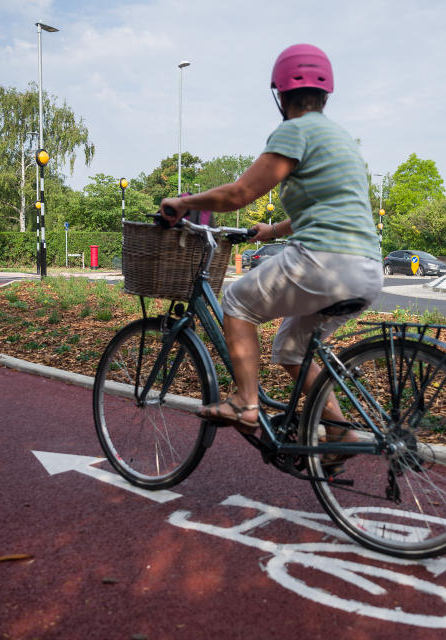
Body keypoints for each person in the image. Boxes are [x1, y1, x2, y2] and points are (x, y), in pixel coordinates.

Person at [159, 44, 383, 458]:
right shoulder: (342, 140)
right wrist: (272, 230)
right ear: (326, 94)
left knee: (236, 300)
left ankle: (245, 403)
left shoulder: (294, 131)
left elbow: (240, 193)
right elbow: (322, 206)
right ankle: (339, 433)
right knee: (290, 348)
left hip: (324, 260)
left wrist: (185, 202)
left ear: (280, 94)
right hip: (366, 269)